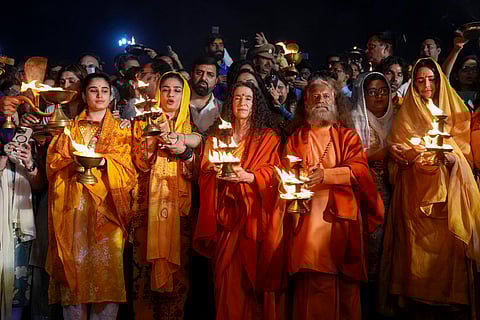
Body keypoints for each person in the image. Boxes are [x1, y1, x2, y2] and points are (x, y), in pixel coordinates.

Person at [378, 58, 480, 318]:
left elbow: (465, 152)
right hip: (414, 193)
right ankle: (412, 297)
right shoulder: (407, 112)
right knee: (414, 249)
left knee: (447, 251)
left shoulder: (455, 108)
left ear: (439, 81)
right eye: (420, 80)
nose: (426, 85)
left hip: (448, 193)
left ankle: (452, 299)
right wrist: (405, 154)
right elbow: (397, 150)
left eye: (431, 79)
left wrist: (451, 158)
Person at [282, 77, 384, 320]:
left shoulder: (347, 137)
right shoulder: (296, 138)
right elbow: (286, 172)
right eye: (315, 96)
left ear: (336, 101)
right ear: (305, 102)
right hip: (307, 220)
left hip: (343, 219)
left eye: (326, 96)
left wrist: (326, 175)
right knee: (313, 284)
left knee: (346, 288)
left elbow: (359, 171)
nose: (321, 100)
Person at [47, 72, 135, 319]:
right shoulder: (69, 129)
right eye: (93, 90)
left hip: (108, 212)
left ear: (111, 96)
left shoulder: (122, 130)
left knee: (106, 277)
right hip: (74, 210)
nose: (99, 95)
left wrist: (105, 162)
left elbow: (129, 169)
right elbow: (53, 163)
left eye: (104, 90)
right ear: (84, 95)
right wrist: (72, 164)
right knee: (73, 274)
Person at [194, 81, 284, 319]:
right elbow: (205, 168)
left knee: (252, 281)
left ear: (255, 105)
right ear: (230, 102)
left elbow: (275, 172)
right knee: (227, 278)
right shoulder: (218, 134)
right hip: (226, 215)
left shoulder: (267, 137)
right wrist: (213, 170)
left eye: (247, 98)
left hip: (253, 215)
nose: (242, 103)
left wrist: (251, 176)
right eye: (237, 97)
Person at [130, 72, 201, 320]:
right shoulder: (142, 121)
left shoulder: (191, 127)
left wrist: (183, 151)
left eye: (177, 90)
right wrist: (154, 138)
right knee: (143, 282)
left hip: (179, 212)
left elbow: (197, 173)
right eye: (166, 89)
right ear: (158, 92)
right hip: (146, 210)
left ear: (185, 95)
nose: (171, 94)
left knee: (178, 279)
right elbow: (138, 163)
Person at [351, 72, 394, 318]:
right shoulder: (355, 120)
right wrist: (382, 153)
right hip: (364, 194)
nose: (378, 96)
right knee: (368, 250)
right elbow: (351, 159)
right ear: (363, 95)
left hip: (395, 190)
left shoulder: (399, 119)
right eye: (372, 91)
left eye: (383, 90)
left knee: (392, 248)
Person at [189, 56, 222, 133]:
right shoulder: (177, 104)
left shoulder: (222, 109)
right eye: (199, 73)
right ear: (191, 75)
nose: (203, 78)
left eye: (210, 75)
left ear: (216, 80)